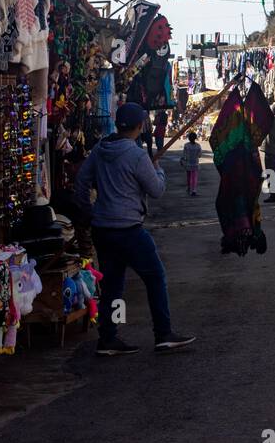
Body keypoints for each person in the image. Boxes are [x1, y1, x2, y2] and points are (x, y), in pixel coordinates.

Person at [74, 102, 196, 356]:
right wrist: (158, 170)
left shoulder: (100, 149)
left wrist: (87, 212)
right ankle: (163, 333)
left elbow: (81, 181)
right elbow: (157, 190)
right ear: (140, 127)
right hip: (129, 230)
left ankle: (109, 337)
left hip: (103, 229)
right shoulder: (137, 156)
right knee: (155, 278)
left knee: (113, 286)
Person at [182, 131, 203, 197]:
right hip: (195, 164)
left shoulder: (186, 145)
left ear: (188, 138)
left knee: (188, 177)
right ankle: (194, 190)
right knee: (194, 178)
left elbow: (184, 155)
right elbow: (200, 155)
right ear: (195, 138)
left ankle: (189, 188)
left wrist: (183, 160)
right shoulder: (198, 146)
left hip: (188, 164)